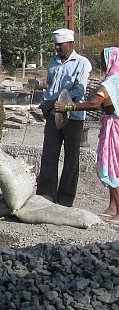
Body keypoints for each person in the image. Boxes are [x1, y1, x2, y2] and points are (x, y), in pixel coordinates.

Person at [55, 47, 119, 219]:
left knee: (113, 167)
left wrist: (68, 107)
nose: (102, 64)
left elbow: (93, 103)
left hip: (114, 129)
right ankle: (113, 207)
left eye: (104, 60)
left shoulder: (110, 83)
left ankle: (118, 210)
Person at [37, 28, 91, 206]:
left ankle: (66, 198)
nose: (57, 48)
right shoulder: (53, 62)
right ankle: (46, 194)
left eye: (60, 45)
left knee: (71, 159)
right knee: (49, 155)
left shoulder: (82, 63)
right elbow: (50, 87)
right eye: (56, 45)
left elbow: (79, 90)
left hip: (73, 116)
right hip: (53, 115)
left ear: (71, 44)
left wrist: (57, 103)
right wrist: (46, 105)